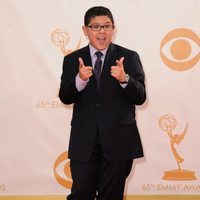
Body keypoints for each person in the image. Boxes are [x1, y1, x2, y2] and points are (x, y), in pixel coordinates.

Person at [59, 6, 146, 200]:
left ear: (113, 28)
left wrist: (125, 79)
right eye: (96, 27)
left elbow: (140, 97)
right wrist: (79, 80)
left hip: (119, 142)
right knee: (80, 194)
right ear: (85, 30)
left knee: (111, 196)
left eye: (106, 26)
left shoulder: (129, 57)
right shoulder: (72, 59)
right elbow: (65, 96)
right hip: (84, 143)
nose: (102, 32)